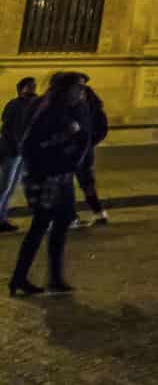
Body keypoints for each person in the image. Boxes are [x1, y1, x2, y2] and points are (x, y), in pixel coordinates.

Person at [8, 72, 90, 297]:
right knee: (40, 226)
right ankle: (20, 277)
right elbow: (31, 144)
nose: (82, 93)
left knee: (61, 222)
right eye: (78, 88)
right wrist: (64, 139)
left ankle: (52, 276)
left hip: (61, 176)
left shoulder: (68, 109)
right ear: (65, 89)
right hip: (47, 177)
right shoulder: (47, 110)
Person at [69, 75, 111, 228]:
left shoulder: (90, 106)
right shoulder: (77, 104)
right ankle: (94, 212)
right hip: (77, 150)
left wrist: (89, 142)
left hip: (81, 151)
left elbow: (102, 128)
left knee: (84, 182)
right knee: (81, 183)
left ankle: (96, 212)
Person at [0, 76, 36, 233]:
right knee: (5, 186)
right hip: (12, 152)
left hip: (23, 152)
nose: (33, 88)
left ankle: (2, 217)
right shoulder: (14, 105)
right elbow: (7, 127)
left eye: (34, 85)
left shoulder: (33, 105)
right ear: (21, 88)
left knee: (12, 187)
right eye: (30, 86)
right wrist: (15, 144)